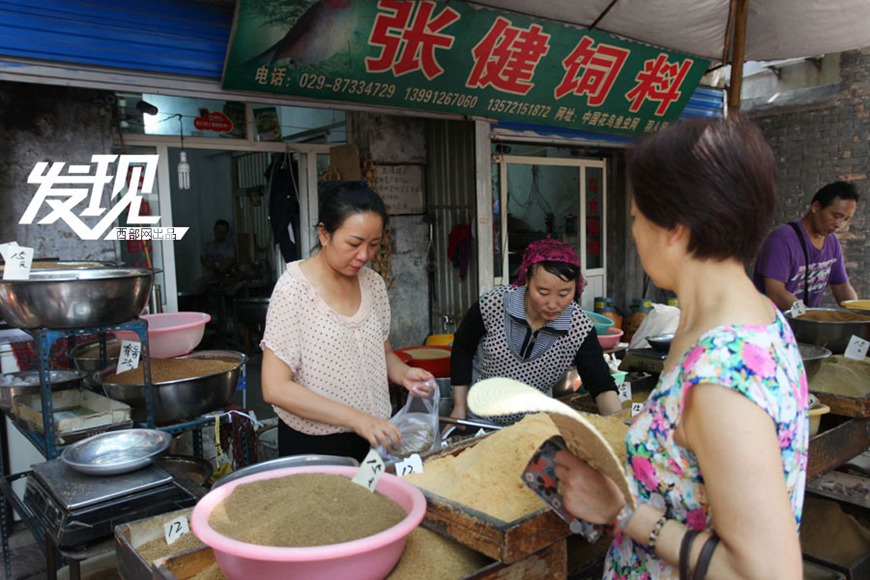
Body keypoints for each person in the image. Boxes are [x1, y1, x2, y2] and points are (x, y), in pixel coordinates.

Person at [552, 116, 807, 578]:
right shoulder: (745, 315)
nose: (632, 232)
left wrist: (621, 511)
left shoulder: (721, 379)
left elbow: (766, 572)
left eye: (635, 218)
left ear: (674, 227)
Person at [260, 181, 434, 463]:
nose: (364, 255)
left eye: (374, 244)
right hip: (314, 444)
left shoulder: (373, 284)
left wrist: (403, 374)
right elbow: (275, 387)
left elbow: (383, 351)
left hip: (374, 437)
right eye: (354, 244)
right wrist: (357, 419)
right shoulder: (294, 289)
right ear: (324, 234)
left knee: (377, 505)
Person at [448, 238, 622, 426]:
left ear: (576, 287)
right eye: (543, 292)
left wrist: (619, 429)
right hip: (479, 420)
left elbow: (601, 385)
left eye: (564, 294)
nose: (553, 304)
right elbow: (462, 348)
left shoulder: (578, 326)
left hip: (532, 427)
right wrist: (459, 407)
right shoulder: (493, 305)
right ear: (526, 280)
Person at [753, 181, 860, 310]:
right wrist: (807, 316)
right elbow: (776, 293)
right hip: (775, 324)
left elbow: (842, 286)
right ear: (816, 207)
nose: (839, 224)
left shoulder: (832, 242)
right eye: (836, 216)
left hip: (804, 323)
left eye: (846, 219)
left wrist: (858, 314)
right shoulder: (782, 239)